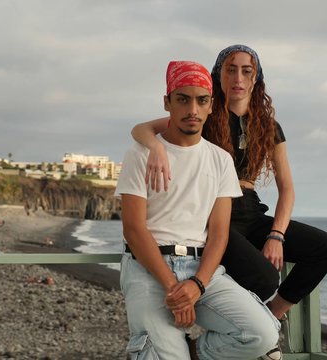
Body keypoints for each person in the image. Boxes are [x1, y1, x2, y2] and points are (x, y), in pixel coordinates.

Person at [132, 45, 327, 359]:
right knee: (263, 276)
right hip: (213, 214)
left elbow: (287, 190)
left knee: (326, 248)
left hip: (251, 210)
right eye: (231, 68)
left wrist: (276, 236)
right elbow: (141, 129)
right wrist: (158, 149)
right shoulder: (204, 111)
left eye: (247, 70)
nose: (238, 76)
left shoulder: (268, 126)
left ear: (256, 77)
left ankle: (272, 315)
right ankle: (229, 329)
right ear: (219, 74)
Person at [117, 60, 279, 359]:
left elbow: (219, 232)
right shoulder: (140, 153)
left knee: (262, 334)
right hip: (148, 269)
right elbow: (134, 229)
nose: (192, 109)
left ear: (211, 106)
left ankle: (195, 350)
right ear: (167, 103)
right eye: (183, 99)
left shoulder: (220, 160)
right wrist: (173, 288)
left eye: (201, 100)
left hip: (201, 270)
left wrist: (197, 285)